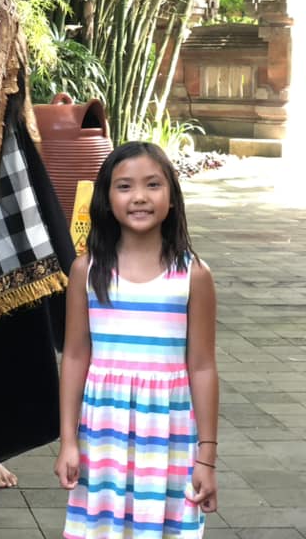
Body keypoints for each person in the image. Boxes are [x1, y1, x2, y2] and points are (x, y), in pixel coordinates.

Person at [54, 142, 219, 538]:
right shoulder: (86, 271)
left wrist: (207, 457)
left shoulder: (193, 275)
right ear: (106, 199)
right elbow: (75, 357)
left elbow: (202, 366)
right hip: (103, 438)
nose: (140, 197)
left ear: (173, 197)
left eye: (153, 185)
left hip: (169, 439)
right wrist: (68, 440)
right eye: (124, 186)